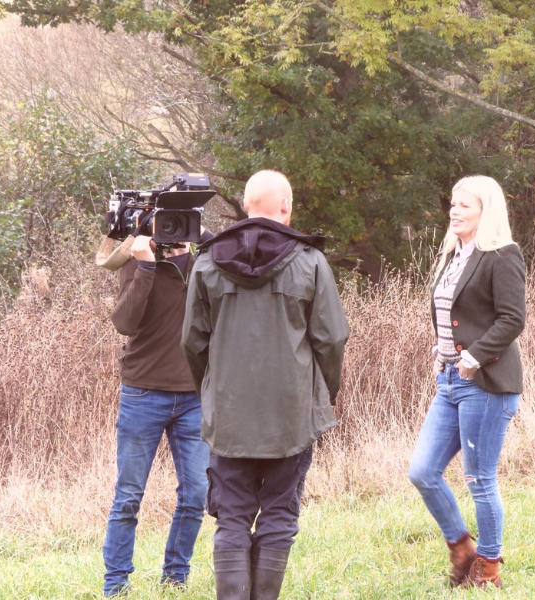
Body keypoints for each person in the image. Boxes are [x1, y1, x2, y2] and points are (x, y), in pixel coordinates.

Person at [182, 170, 348, 600]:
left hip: (229, 415)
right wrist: (324, 394)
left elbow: (191, 341)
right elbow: (331, 338)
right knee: (278, 512)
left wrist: (211, 393)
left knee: (231, 517)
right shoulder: (310, 261)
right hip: (290, 416)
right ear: (286, 207)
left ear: (246, 205)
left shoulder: (206, 260)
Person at [405, 176, 526, 589]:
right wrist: (443, 351)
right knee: (422, 471)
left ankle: (488, 569)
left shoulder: (502, 255)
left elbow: (512, 319)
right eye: (453, 205)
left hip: (487, 382)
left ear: (485, 212)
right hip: (450, 381)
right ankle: (462, 548)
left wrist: (473, 357)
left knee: (479, 478)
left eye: (465, 206)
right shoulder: (451, 256)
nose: (454, 212)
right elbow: (452, 315)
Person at [94, 228, 211, 595]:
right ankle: (116, 586)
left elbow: (235, 257)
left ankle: (175, 579)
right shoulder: (136, 263)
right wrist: (144, 266)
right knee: (129, 495)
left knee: (196, 495)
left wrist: (201, 235)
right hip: (143, 393)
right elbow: (124, 323)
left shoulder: (202, 266)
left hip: (193, 396)